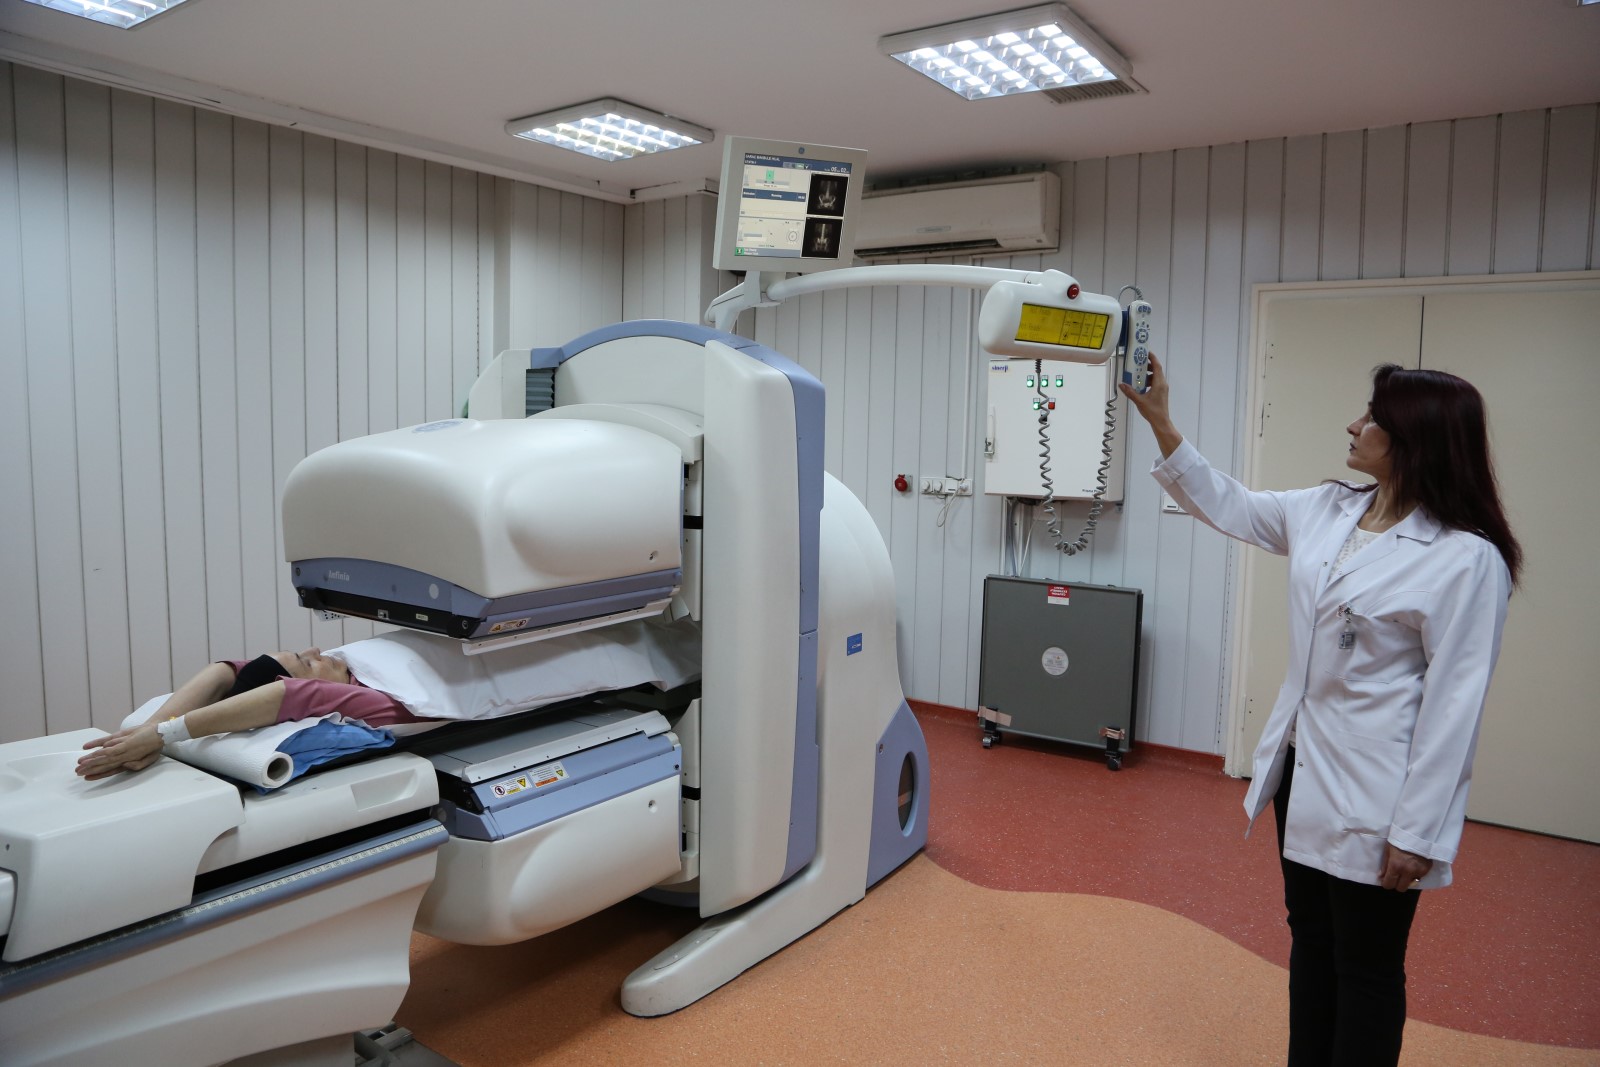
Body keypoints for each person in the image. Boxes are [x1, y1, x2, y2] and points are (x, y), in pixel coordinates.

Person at [1120, 353, 1520, 1067]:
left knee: (1367, 964)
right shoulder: (1329, 509)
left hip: (1382, 793)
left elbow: (1455, 706)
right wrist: (1161, 422)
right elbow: (1232, 505)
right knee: (1310, 938)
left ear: (1415, 440)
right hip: (1303, 770)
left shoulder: (1464, 558)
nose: (1355, 425)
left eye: (1373, 418)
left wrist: (1419, 831)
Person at [76, 646, 427, 781]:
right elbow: (292, 693)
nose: (316, 650)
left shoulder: (354, 669)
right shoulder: (369, 700)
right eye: (307, 662)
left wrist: (151, 732)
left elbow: (224, 671)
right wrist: (158, 735)